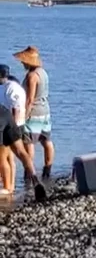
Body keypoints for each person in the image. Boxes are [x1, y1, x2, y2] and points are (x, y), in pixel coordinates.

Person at [0, 64, 43, 202]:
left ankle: (7, 189)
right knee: (20, 153)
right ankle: (34, 179)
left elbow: (16, 108)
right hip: (8, 117)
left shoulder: (9, 88)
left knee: (2, 158)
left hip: (7, 120)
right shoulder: (12, 85)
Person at [13, 47, 53, 186]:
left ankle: (29, 173)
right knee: (46, 140)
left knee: (29, 143)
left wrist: (25, 116)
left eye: (23, 62)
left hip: (35, 111)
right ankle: (47, 170)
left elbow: (30, 99)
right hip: (45, 110)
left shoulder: (32, 76)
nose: (22, 64)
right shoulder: (43, 73)